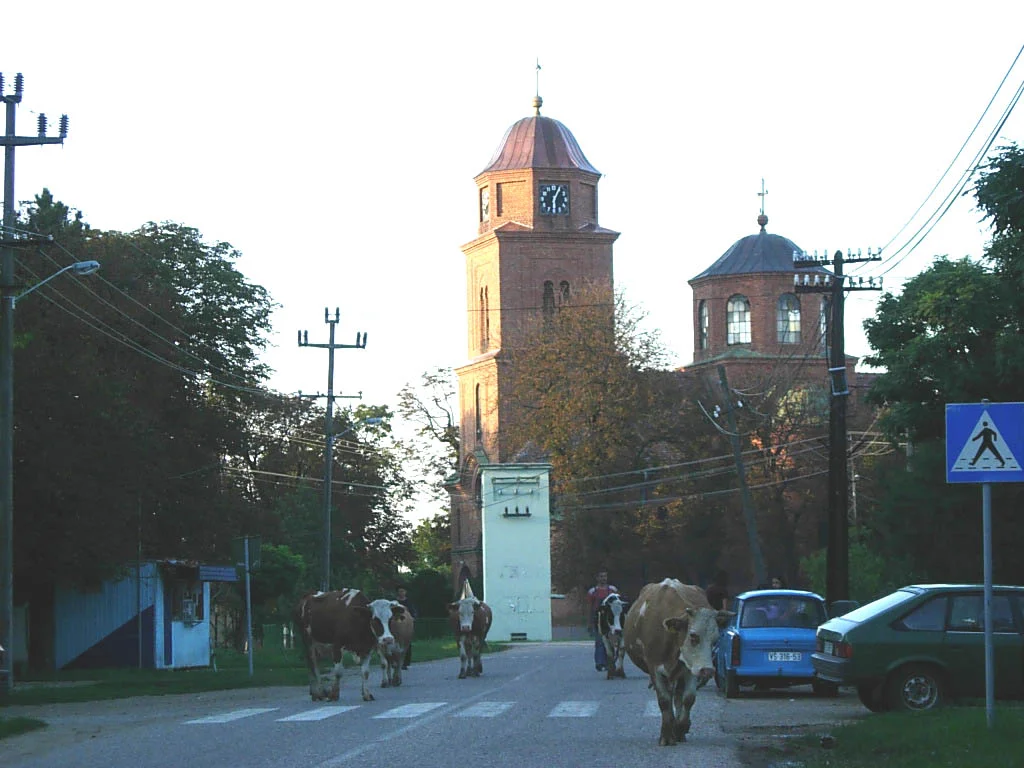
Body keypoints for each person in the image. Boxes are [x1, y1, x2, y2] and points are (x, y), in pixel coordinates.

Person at [586, 569, 618, 672]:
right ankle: (600, 663)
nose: (603, 578)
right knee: (600, 641)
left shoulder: (613, 590)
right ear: (597, 578)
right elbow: (590, 608)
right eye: (601, 576)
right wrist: (590, 623)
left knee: (611, 641)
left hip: (611, 620)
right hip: (598, 620)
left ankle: (610, 663)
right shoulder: (592, 592)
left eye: (605, 576)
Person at [395, 586, 418, 669]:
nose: (401, 593)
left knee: (407, 643)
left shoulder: (408, 602)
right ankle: (395, 661)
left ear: (405, 592)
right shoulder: (395, 602)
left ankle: (405, 662)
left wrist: (413, 617)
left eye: (403, 591)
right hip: (396, 624)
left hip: (406, 624)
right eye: (400, 591)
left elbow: (413, 611)